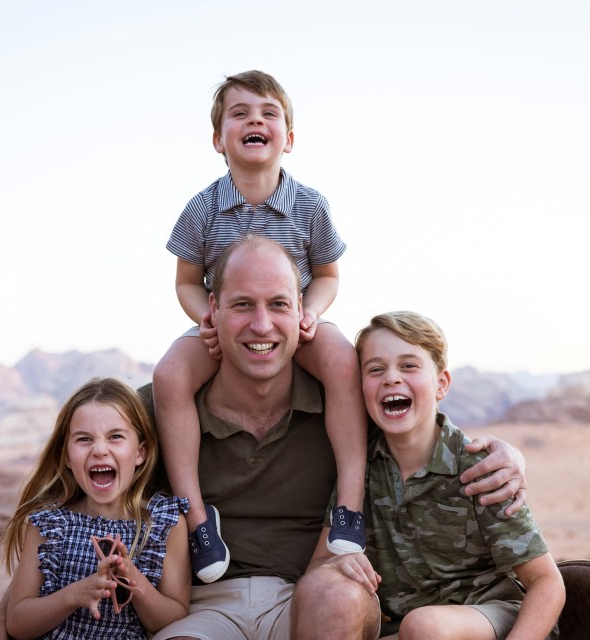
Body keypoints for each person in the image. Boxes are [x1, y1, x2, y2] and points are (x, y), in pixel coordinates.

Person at [0, 236, 529, 640]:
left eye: (278, 305)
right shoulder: (160, 414)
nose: (262, 325)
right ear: (212, 312)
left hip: (310, 599)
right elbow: (68, 512)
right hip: (202, 609)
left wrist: (509, 454)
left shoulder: (344, 406)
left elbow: (419, 426)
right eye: (243, 304)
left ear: (303, 316)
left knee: (336, 592)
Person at [152, 70, 369, 582]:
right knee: (169, 376)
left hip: (293, 322)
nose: (256, 120)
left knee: (342, 359)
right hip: (226, 325)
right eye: (240, 113)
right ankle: (198, 520)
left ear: (288, 139)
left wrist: (310, 311)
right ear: (218, 139)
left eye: (269, 113)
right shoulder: (203, 208)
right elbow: (185, 281)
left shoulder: (310, 205)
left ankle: (351, 505)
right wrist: (203, 315)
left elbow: (328, 274)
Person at [315, 311, 566, 639]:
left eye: (409, 365)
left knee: (425, 625)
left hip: (493, 616)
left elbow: (547, 582)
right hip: (409, 628)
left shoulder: (480, 469)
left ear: (441, 384)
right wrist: (337, 564)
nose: (391, 378)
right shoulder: (359, 467)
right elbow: (320, 565)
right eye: (375, 369)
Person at [0, 377, 191, 639]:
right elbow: (18, 624)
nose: (100, 449)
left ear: (140, 453)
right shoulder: (49, 524)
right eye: (84, 439)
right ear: (66, 456)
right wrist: (74, 595)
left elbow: (171, 619)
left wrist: (131, 578)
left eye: (115, 437)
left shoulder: (164, 523)